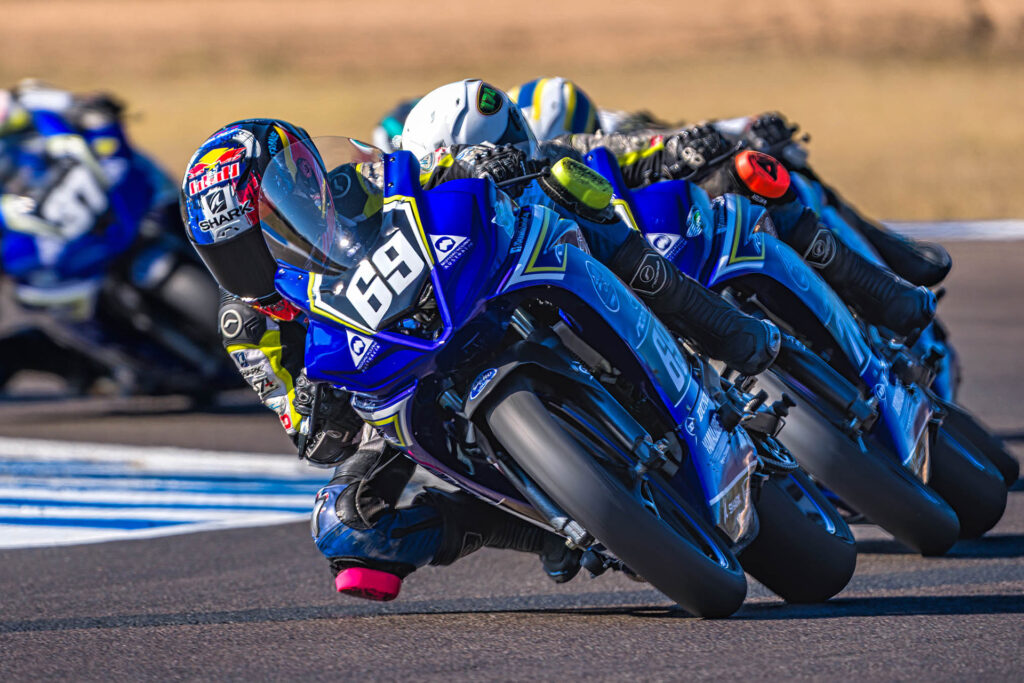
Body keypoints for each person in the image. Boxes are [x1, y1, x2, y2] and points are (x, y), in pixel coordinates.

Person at [181, 118, 584, 603]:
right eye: (235, 256)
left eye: (269, 225)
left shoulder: (355, 183)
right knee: (345, 529)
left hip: (457, 298)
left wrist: (472, 162)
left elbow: (426, 170)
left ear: (301, 180)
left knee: (565, 209)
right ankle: (542, 531)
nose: (258, 264)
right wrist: (317, 399)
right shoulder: (247, 326)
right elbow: (318, 443)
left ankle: (656, 308)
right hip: (385, 390)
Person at [498, 78, 938, 337]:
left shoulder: (598, 131)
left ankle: (885, 267)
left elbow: (655, 139)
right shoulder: (477, 189)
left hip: (654, 213)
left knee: (757, 169)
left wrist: (737, 130)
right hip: (574, 279)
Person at [401, 79, 781, 376]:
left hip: (572, 266)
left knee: (570, 192)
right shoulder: (417, 199)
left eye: (493, 147)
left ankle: (726, 331)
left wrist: (672, 148)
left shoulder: (553, 154)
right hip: (475, 293)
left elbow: (621, 147)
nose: (496, 155)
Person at [0, 80, 204, 391]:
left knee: (194, 207)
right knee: (52, 311)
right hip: (57, 254)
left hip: (121, 197)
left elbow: (77, 104)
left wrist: (95, 110)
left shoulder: (29, 100)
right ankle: (119, 365)